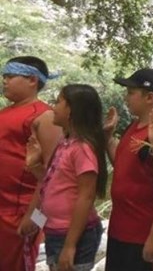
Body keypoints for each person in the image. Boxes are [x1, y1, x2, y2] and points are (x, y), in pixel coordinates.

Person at [19, 84, 108, 271]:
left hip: (73, 235)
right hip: (56, 231)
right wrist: (34, 165)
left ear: (72, 110)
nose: (53, 107)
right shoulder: (65, 144)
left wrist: (70, 246)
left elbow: (86, 196)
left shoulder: (82, 149)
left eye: (59, 102)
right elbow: (51, 184)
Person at [105, 68, 153, 271]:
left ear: (150, 97)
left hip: (143, 232)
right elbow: (125, 168)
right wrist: (108, 138)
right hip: (119, 229)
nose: (126, 98)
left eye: (131, 92)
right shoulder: (133, 126)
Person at [1, 56, 62, 271]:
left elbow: (54, 173)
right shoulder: (6, 112)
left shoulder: (44, 116)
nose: (4, 81)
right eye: (4, 76)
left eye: (10, 76)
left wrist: (35, 216)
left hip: (20, 212)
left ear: (32, 80)